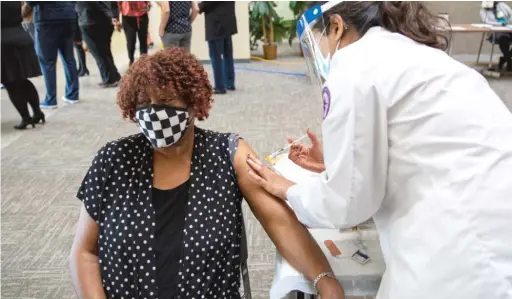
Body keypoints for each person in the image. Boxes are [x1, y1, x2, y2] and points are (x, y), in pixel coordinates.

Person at [246, 2, 512, 299]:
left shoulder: (353, 65)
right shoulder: (417, 55)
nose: (320, 56)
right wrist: (337, 161)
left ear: (336, 27)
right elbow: (424, 146)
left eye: (316, 43)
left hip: (464, 248)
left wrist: (289, 189)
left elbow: (346, 204)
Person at [69, 48, 345, 299]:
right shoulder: (114, 160)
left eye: (166, 100)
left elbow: (280, 224)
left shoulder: (228, 154)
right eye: (144, 102)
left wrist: (324, 279)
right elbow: (84, 252)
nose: (154, 112)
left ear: (193, 102)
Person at [26, 1, 79, 109]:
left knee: (47, 62)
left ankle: (51, 100)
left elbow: (30, 2)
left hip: (46, 20)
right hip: (69, 17)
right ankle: (72, 95)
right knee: (69, 59)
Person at [2, 1, 45, 130]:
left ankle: (26, 118)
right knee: (22, 80)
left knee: (10, 82)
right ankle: (37, 113)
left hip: (4, 42)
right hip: (21, 36)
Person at [75, 2, 121, 88]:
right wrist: (115, 16)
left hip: (89, 21)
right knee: (105, 51)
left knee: (98, 53)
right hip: (106, 21)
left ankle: (108, 79)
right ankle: (115, 76)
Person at [199, 1, 237, 94]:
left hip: (216, 24)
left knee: (215, 56)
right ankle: (229, 83)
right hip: (228, 21)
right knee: (227, 54)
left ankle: (220, 87)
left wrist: (198, 7)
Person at [481, 1, 512, 71]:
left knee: (506, 38)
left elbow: (511, 14)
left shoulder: (502, 5)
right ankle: (509, 62)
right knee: (504, 40)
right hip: (496, 31)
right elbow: (486, 21)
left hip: (509, 29)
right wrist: (499, 24)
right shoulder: (483, 11)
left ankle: (504, 59)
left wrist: (509, 22)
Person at [118, 1, 150, 65]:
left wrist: (148, 6)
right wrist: (116, 18)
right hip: (128, 18)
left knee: (143, 41)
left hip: (142, 16)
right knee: (131, 42)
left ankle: (144, 62)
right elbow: (118, 3)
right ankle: (131, 60)